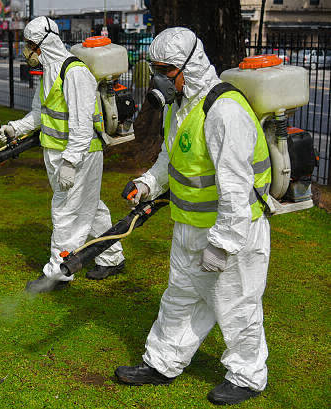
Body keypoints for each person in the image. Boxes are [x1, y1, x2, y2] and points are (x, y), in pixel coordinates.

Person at [114, 28, 272, 406]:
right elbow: (171, 158)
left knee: (237, 304)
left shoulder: (224, 111)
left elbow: (235, 187)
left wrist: (222, 245)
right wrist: (148, 183)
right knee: (181, 296)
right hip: (190, 225)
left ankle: (248, 376)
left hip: (232, 230)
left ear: (191, 65)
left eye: (166, 70)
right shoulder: (180, 103)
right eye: (155, 70)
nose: (160, 79)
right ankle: (163, 362)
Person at [0, 17, 125, 292]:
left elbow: (81, 125)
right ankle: (112, 258)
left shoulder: (74, 73)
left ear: (44, 43)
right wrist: (14, 128)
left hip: (79, 154)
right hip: (57, 153)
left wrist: (70, 161)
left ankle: (58, 272)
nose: (26, 50)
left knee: (66, 211)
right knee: (92, 207)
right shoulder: (49, 71)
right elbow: (40, 113)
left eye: (30, 44)